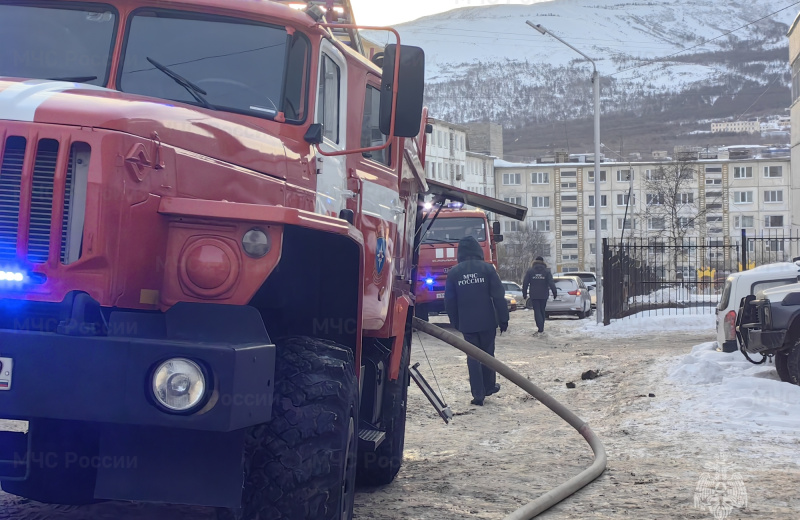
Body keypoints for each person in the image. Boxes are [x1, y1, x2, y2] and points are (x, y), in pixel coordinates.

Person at [445, 236, 509, 406]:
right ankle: (489, 386)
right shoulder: (487, 269)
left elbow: (450, 301)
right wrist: (503, 319)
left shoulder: (454, 273)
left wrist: (455, 321)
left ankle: (478, 394)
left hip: (467, 323)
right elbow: (499, 296)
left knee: (473, 357)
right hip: (488, 321)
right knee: (488, 354)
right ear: (478, 251)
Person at [522, 256, 558, 335]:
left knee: (537, 310)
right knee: (542, 310)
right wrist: (554, 292)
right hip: (544, 294)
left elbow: (525, 283)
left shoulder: (530, 271)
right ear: (543, 262)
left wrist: (524, 293)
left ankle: (540, 327)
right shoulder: (547, 271)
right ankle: (541, 327)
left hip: (534, 294)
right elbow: (551, 282)